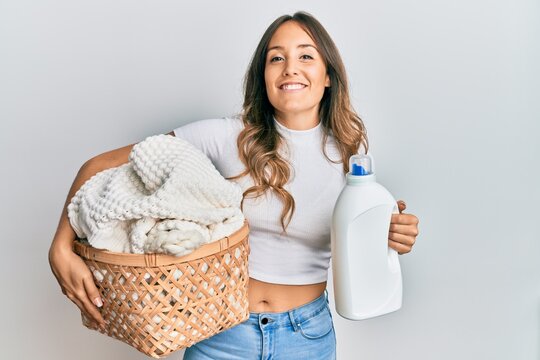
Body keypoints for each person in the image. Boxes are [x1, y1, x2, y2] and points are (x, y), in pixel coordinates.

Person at [48, 11, 419, 360]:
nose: (290, 67)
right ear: (263, 76)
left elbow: (359, 244)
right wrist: (61, 247)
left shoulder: (349, 159)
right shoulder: (226, 137)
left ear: (328, 76)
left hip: (308, 339)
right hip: (221, 335)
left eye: (306, 56)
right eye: (276, 58)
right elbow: (98, 166)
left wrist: (389, 234)